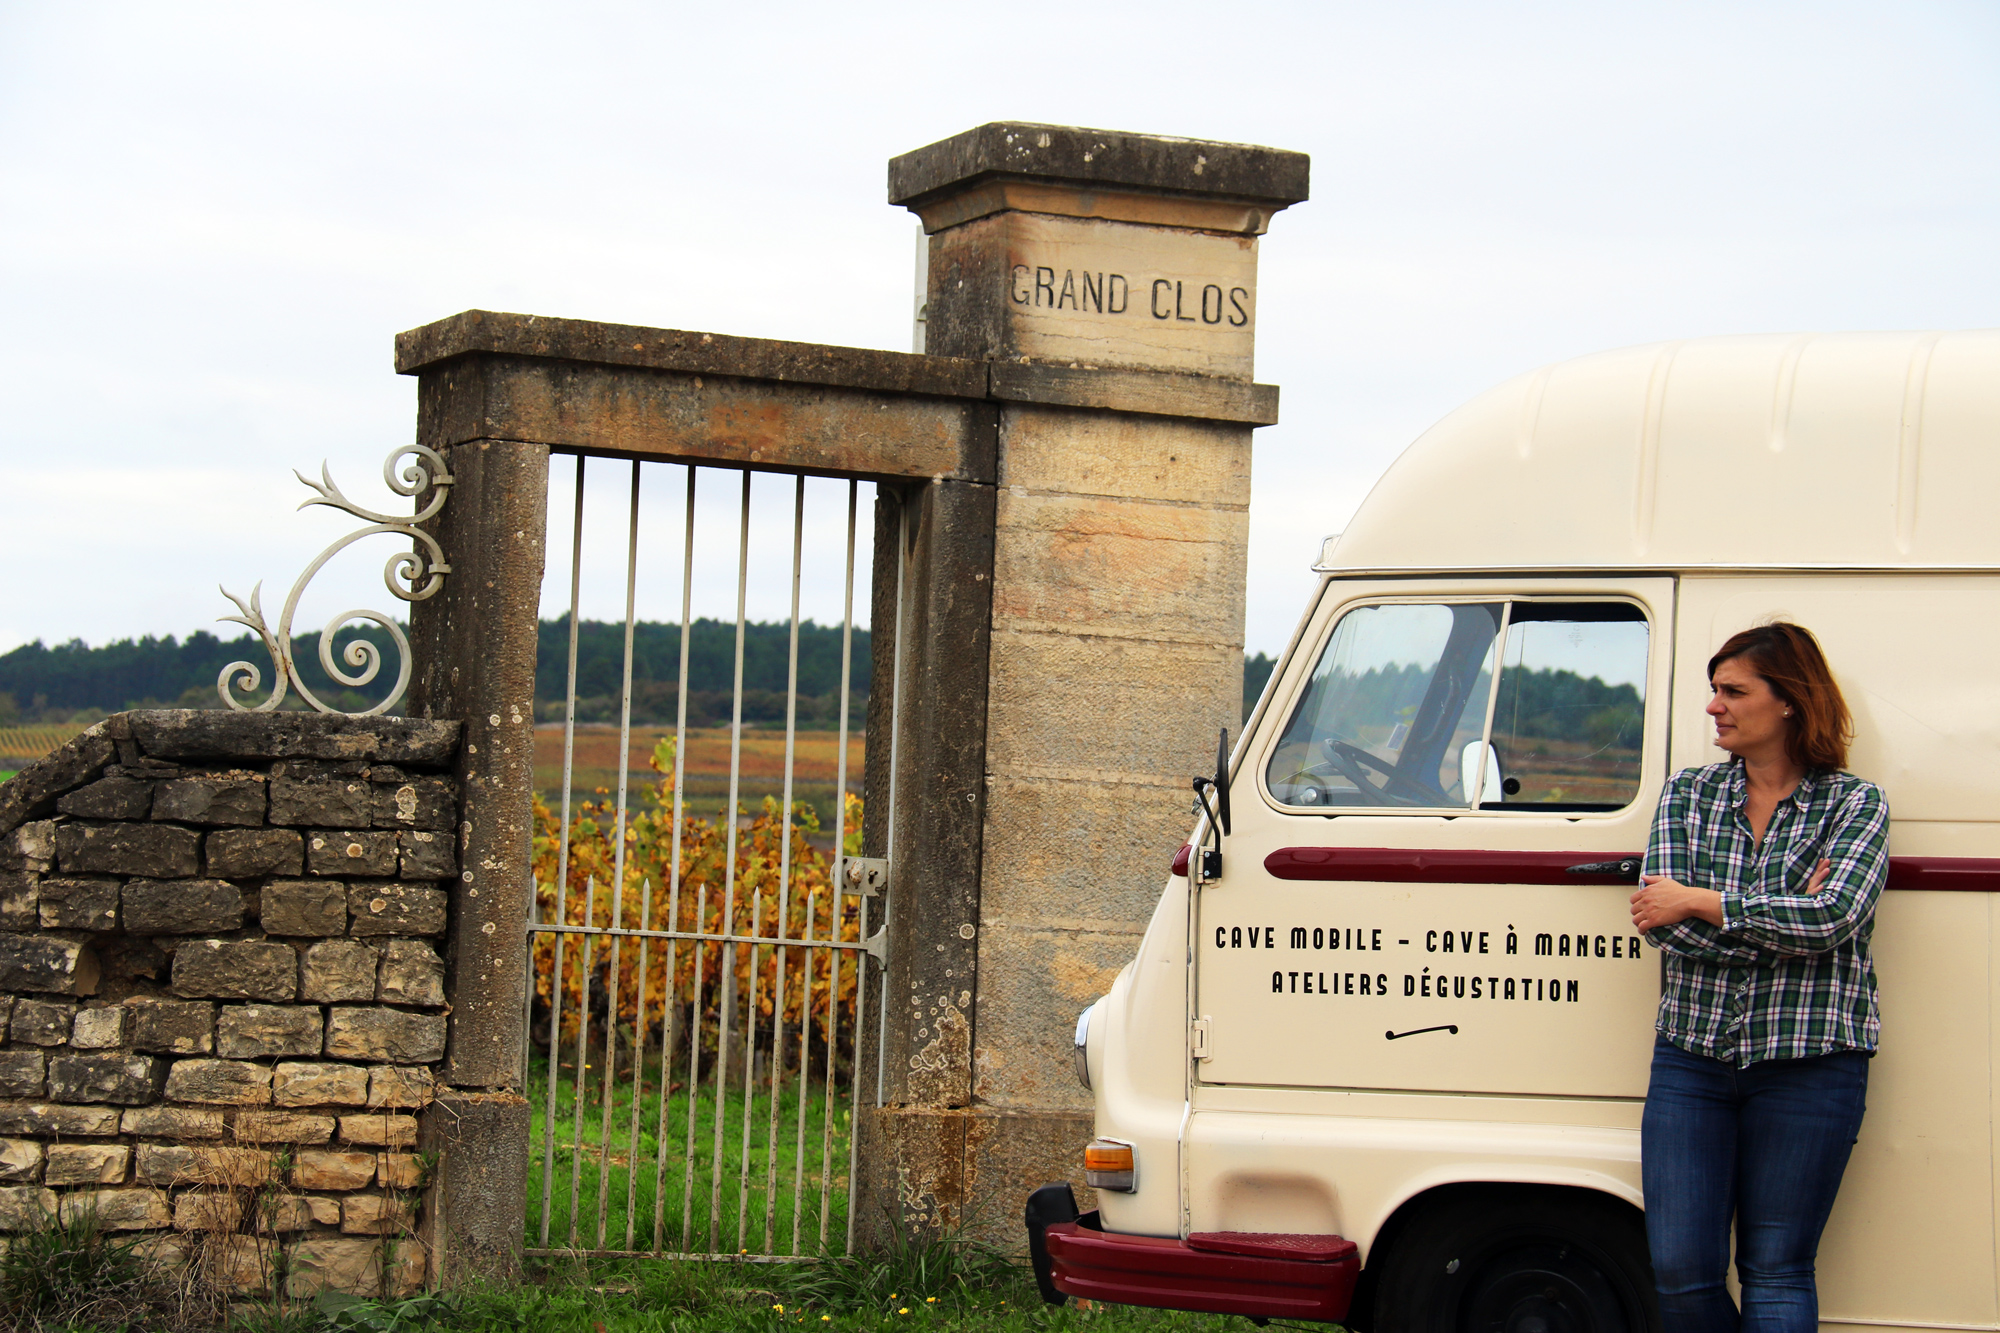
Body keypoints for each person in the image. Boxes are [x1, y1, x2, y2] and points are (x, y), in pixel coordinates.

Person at [1628, 622, 1889, 1333]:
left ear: (1791, 702)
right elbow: (1662, 922)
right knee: (1680, 1274)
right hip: (1692, 1058)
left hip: (1811, 1063)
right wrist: (1783, 920)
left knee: (1777, 1268)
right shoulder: (1687, 794)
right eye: (1715, 689)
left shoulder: (1856, 804)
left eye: (1733, 690)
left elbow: (1834, 916)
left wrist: (1705, 899)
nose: (1714, 705)